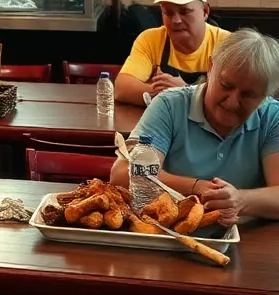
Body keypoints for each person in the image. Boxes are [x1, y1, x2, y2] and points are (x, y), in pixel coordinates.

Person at [110, 29, 279, 223]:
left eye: (248, 95)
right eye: (225, 85)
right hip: (168, 232)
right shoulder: (170, 105)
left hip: (249, 241)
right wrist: (197, 187)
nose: (232, 102)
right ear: (210, 67)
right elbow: (122, 174)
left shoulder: (273, 116)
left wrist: (241, 200)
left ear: (267, 95)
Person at [115, 0, 230, 105]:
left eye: (185, 11)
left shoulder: (228, 44)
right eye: (168, 13)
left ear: (205, 11)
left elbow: (232, 97)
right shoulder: (150, 40)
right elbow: (122, 88)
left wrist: (184, 91)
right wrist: (169, 94)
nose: (176, 20)